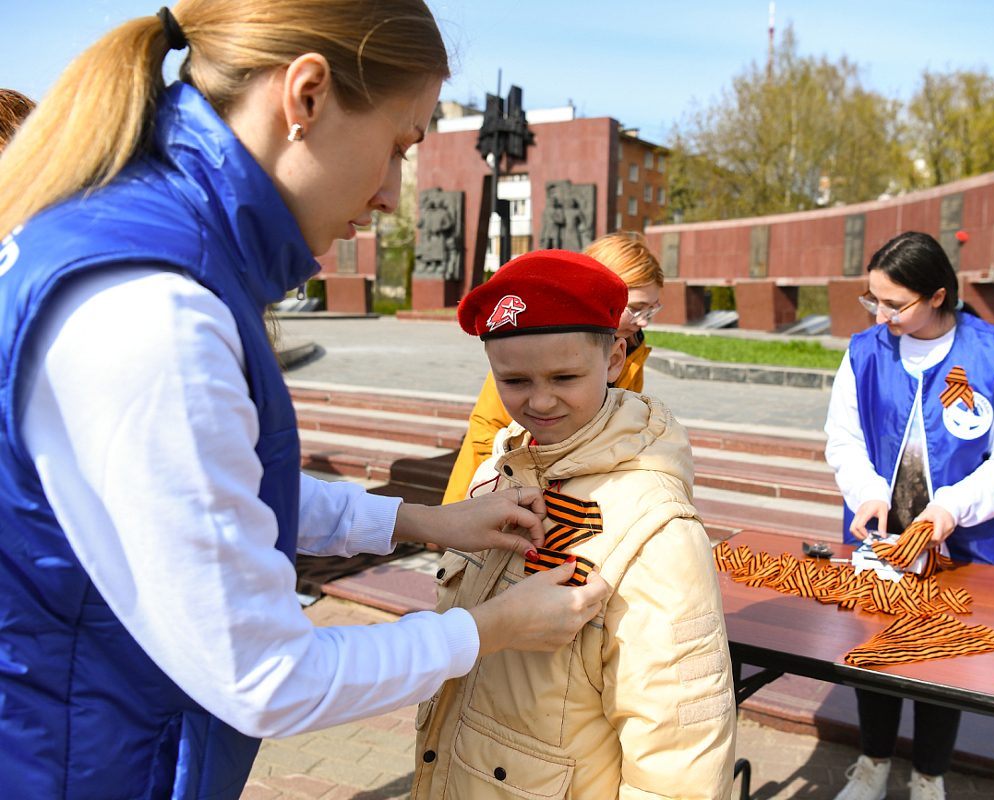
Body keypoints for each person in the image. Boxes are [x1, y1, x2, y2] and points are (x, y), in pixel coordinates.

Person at [0, 4, 607, 799]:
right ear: (307, 96)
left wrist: (420, 521)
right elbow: (269, 677)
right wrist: (490, 630)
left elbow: (205, 497)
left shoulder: (125, 248)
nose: (392, 193)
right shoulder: (156, 312)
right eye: (397, 146)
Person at [412, 250, 735, 799]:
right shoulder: (496, 474)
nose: (539, 400)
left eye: (565, 376)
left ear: (614, 358)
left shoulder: (656, 527)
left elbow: (679, 753)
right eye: (513, 380)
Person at [823, 231, 994, 800]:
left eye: (895, 304)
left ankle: (929, 775)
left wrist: (952, 505)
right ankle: (872, 764)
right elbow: (844, 439)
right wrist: (867, 490)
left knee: (945, 660)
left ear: (939, 295)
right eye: (873, 300)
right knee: (876, 651)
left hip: (965, 542)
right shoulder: (865, 351)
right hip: (881, 535)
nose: (883, 315)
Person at [442, 231, 664, 504]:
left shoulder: (631, 349)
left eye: (651, 310)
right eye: (636, 308)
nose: (643, 322)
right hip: (498, 492)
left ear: (614, 360)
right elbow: (488, 426)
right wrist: (525, 483)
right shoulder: (532, 346)